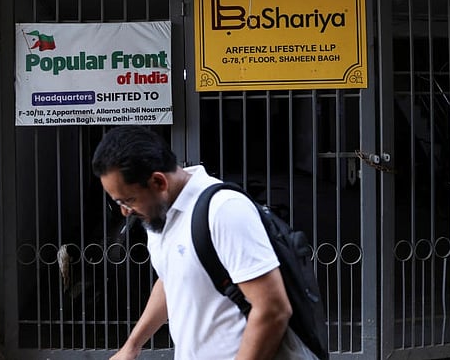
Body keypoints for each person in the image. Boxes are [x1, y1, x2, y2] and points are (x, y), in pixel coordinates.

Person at [92, 125, 315, 360]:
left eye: (128, 200)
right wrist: (132, 346)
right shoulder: (158, 215)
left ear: (158, 182)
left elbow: (272, 310)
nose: (125, 211)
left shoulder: (223, 210)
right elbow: (172, 278)